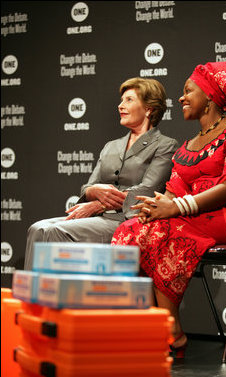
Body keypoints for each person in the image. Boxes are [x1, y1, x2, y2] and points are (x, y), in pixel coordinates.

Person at [111, 62, 226, 358]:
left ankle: (171, 333)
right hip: (196, 217)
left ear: (209, 97)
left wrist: (176, 207)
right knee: (131, 231)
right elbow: (172, 192)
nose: (181, 98)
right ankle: (149, 327)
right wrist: (154, 208)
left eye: (188, 91)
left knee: (164, 231)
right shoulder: (188, 145)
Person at [24, 77, 178, 270]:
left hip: (130, 220)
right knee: (37, 229)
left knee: (54, 232)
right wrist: (93, 191)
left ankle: (45, 297)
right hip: (99, 219)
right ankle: (35, 298)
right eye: (121, 100)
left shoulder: (165, 145)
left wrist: (97, 205)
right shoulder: (111, 146)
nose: (120, 106)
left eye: (129, 100)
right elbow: (88, 187)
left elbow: (147, 191)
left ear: (149, 109)